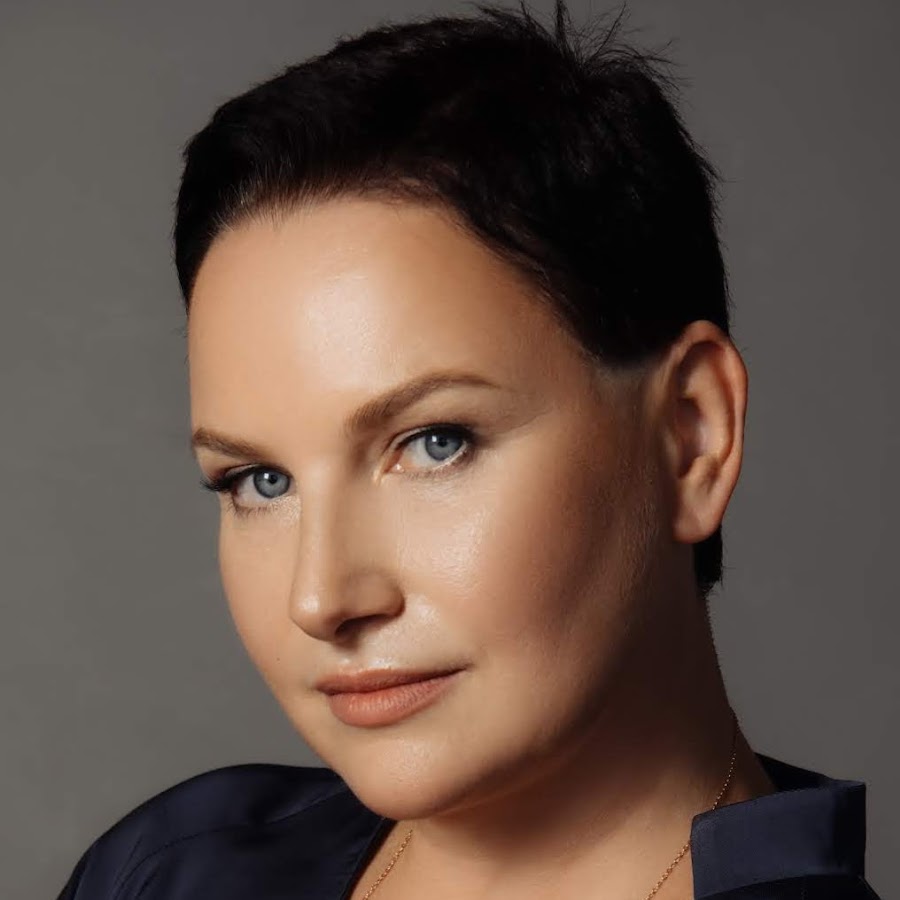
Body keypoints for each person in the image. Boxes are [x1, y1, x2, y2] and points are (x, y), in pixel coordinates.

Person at [55, 2, 881, 898]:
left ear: (692, 435)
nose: (321, 598)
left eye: (434, 444)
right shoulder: (171, 870)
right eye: (259, 481)